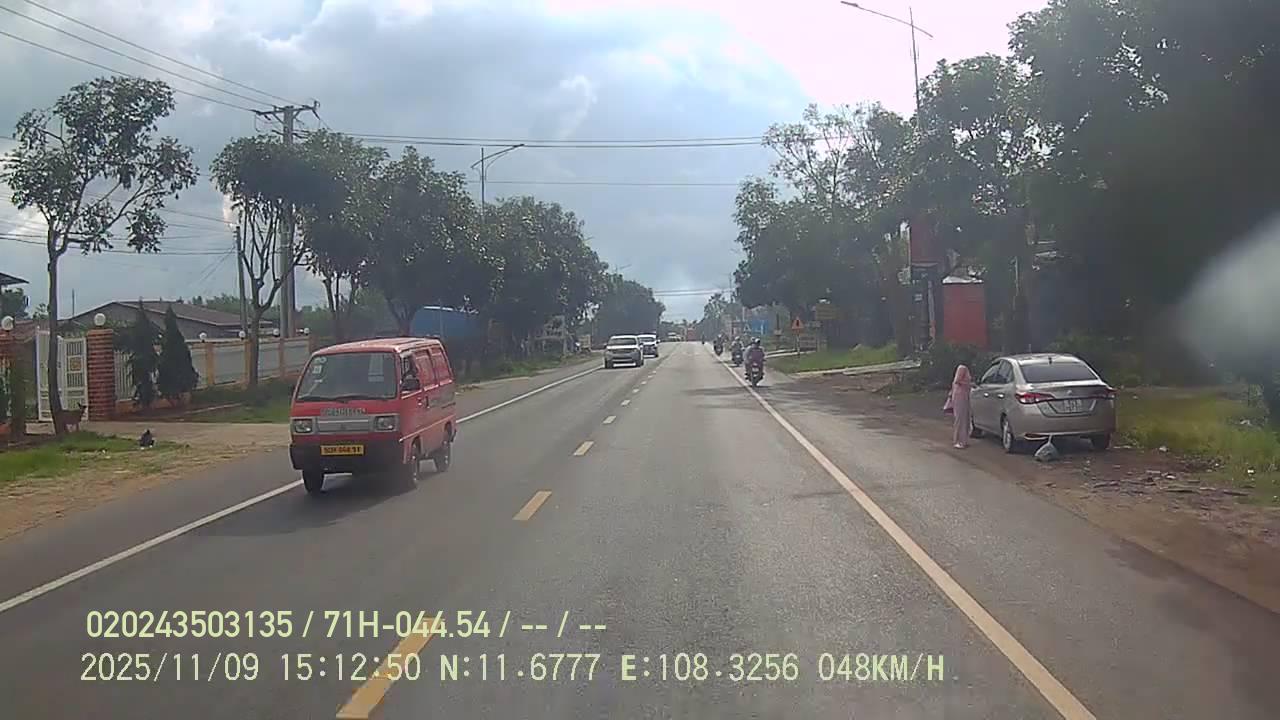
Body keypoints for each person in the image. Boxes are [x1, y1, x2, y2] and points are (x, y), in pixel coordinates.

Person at [942, 365, 973, 449]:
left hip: (963, 397)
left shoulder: (963, 368)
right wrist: (969, 384)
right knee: (961, 419)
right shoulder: (962, 368)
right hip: (960, 397)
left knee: (964, 419)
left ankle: (963, 440)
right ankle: (959, 441)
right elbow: (957, 381)